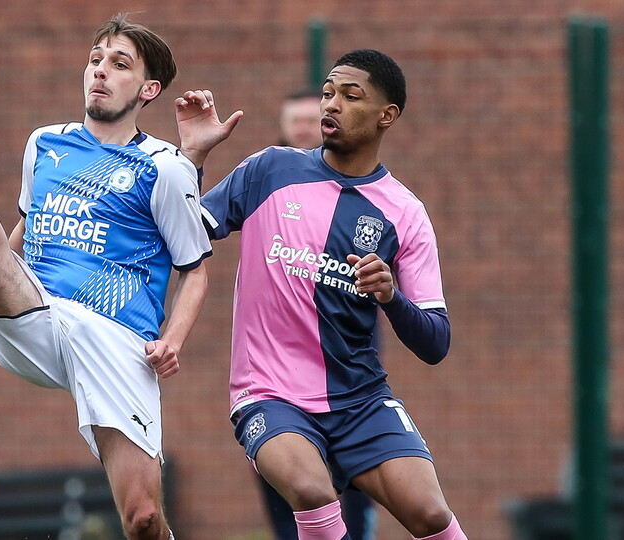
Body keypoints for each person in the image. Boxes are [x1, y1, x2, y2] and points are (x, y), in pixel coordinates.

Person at [0, 14, 210, 540]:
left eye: (119, 64)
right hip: (39, 313)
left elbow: (194, 271)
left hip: (117, 339)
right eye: (95, 59)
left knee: (143, 518)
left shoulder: (165, 166)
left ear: (148, 89)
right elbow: (18, 233)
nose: (100, 71)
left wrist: (172, 340)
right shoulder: (44, 143)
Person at [175, 49, 468, 539]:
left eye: (351, 96)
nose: (331, 104)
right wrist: (193, 158)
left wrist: (391, 297)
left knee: (431, 514)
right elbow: (181, 233)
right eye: (328, 93)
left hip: (361, 400)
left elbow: (436, 343)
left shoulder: (405, 213)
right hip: (269, 394)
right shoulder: (269, 171)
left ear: (387, 115)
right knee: (313, 491)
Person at [259, 88, 378, 540]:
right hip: (275, 377)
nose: (306, 128)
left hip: (344, 377)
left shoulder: (363, 194)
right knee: (291, 489)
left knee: (353, 489)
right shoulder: (267, 182)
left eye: (313, 119)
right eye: (296, 121)